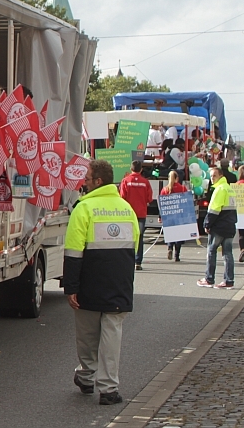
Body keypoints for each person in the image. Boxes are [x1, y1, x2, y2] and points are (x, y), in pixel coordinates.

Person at [64, 159, 140, 405]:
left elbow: (73, 251)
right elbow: (134, 246)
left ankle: (86, 376)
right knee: (112, 335)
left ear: (97, 181)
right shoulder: (126, 208)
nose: (83, 182)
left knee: (87, 335)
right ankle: (108, 390)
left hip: (89, 281)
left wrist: (71, 288)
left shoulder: (83, 209)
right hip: (119, 281)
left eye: (86, 178)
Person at [198, 166, 238, 289]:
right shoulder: (229, 188)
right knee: (227, 253)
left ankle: (209, 279)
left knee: (211, 251)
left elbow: (214, 210)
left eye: (214, 175)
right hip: (229, 225)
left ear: (221, 175)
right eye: (211, 176)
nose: (212, 178)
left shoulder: (220, 189)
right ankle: (229, 281)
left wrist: (207, 224)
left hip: (219, 226)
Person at [119, 161, 152, 270]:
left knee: (127, 237)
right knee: (139, 237)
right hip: (141, 213)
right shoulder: (145, 182)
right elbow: (149, 198)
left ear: (131, 168)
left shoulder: (125, 181)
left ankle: (127, 260)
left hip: (128, 214)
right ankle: (138, 262)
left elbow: (122, 197)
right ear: (141, 169)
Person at [160, 171, 188, 262]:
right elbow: (186, 203)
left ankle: (169, 247)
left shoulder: (165, 190)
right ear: (177, 178)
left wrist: (160, 216)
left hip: (169, 216)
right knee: (179, 235)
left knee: (170, 233)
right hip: (179, 215)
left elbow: (162, 204)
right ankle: (177, 256)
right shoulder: (183, 188)